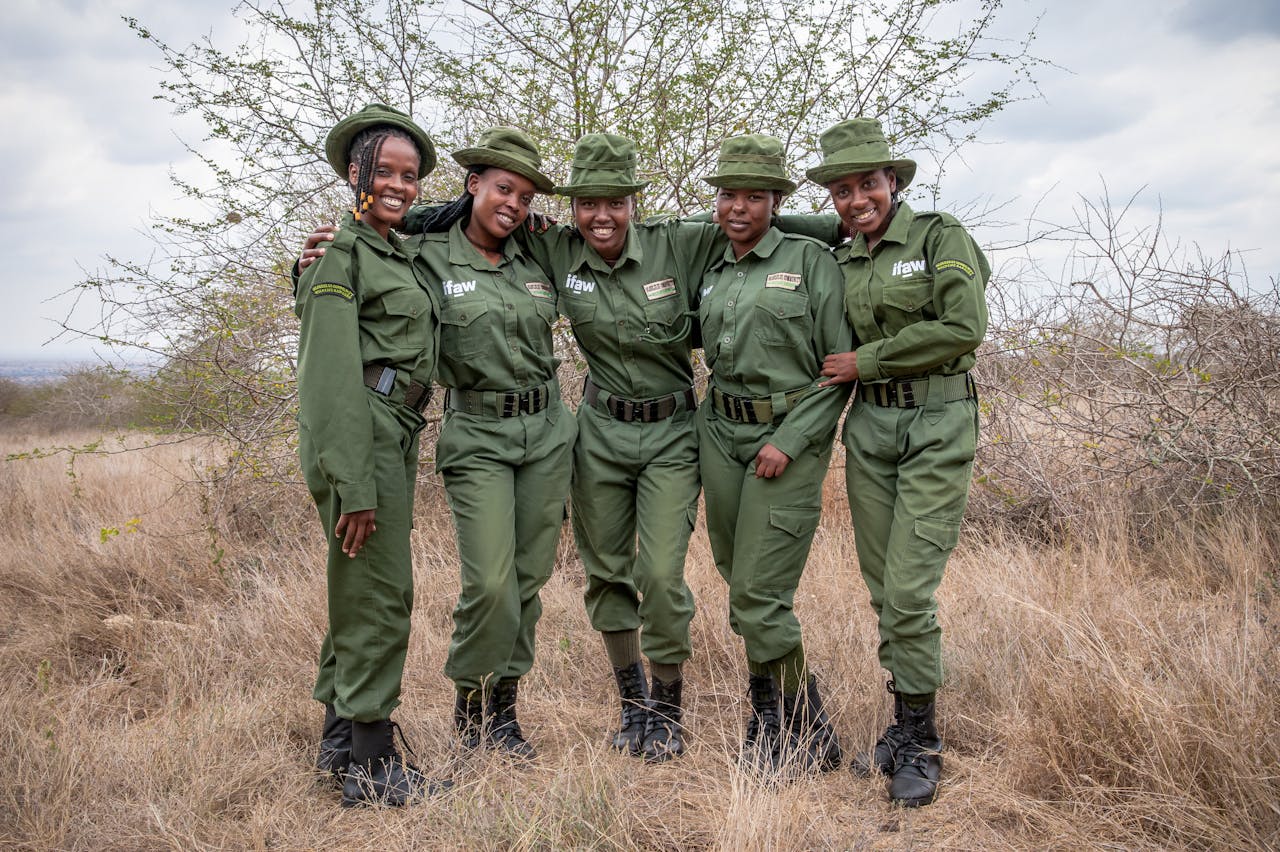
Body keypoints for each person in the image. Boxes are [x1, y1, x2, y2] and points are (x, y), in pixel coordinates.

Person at [300, 128, 573, 762]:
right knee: (490, 584)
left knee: (527, 581)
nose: (515, 203)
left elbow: (621, 240)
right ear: (473, 184)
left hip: (544, 430)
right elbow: (378, 233)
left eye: (526, 195)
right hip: (472, 430)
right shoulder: (420, 249)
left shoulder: (537, 251)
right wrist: (313, 256)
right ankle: (462, 705)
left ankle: (497, 712)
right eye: (503, 187)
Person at [509, 133, 714, 763]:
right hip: (598, 433)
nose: (601, 216)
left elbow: (757, 216)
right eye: (587, 203)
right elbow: (482, 223)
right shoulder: (556, 248)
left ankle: (669, 705)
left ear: (634, 202)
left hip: (672, 432)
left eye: (615, 203)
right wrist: (377, 217)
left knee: (659, 572)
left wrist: (845, 225)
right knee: (606, 572)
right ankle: (633, 704)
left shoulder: (680, 243)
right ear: (572, 207)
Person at [810, 118, 989, 807]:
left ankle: (922, 741)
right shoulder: (843, 254)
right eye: (842, 189)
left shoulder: (940, 236)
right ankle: (901, 725)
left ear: (895, 182)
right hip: (873, 428)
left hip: (938, 422)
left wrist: (869, 360)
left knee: (911, 592)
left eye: (868, 184)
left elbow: (962, 326)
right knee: (886, 590)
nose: (856, 199)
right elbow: (769, 220)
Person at [295, 103, 444, 807]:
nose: (398, 185)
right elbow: (327, 376)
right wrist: (353, 481)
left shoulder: (390, 247)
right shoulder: (341, 252)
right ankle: (372, 763)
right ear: (354, 173)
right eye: (383, 170)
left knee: (358, 593)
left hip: (394, 429)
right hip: (363, 435)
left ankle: (337, 738)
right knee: (381, 597)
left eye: (409, 176)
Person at [696, 134, 854, 776]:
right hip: (720, 432)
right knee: (740, 582)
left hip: (786, 439)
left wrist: (787, 441)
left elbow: (838, 371)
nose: (739, 208)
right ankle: (774, 721)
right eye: (728, 195)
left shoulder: (811, 260)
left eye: (754, 197)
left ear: (776, 201)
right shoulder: (708, 263)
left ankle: (802, 730)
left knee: (762, 593)